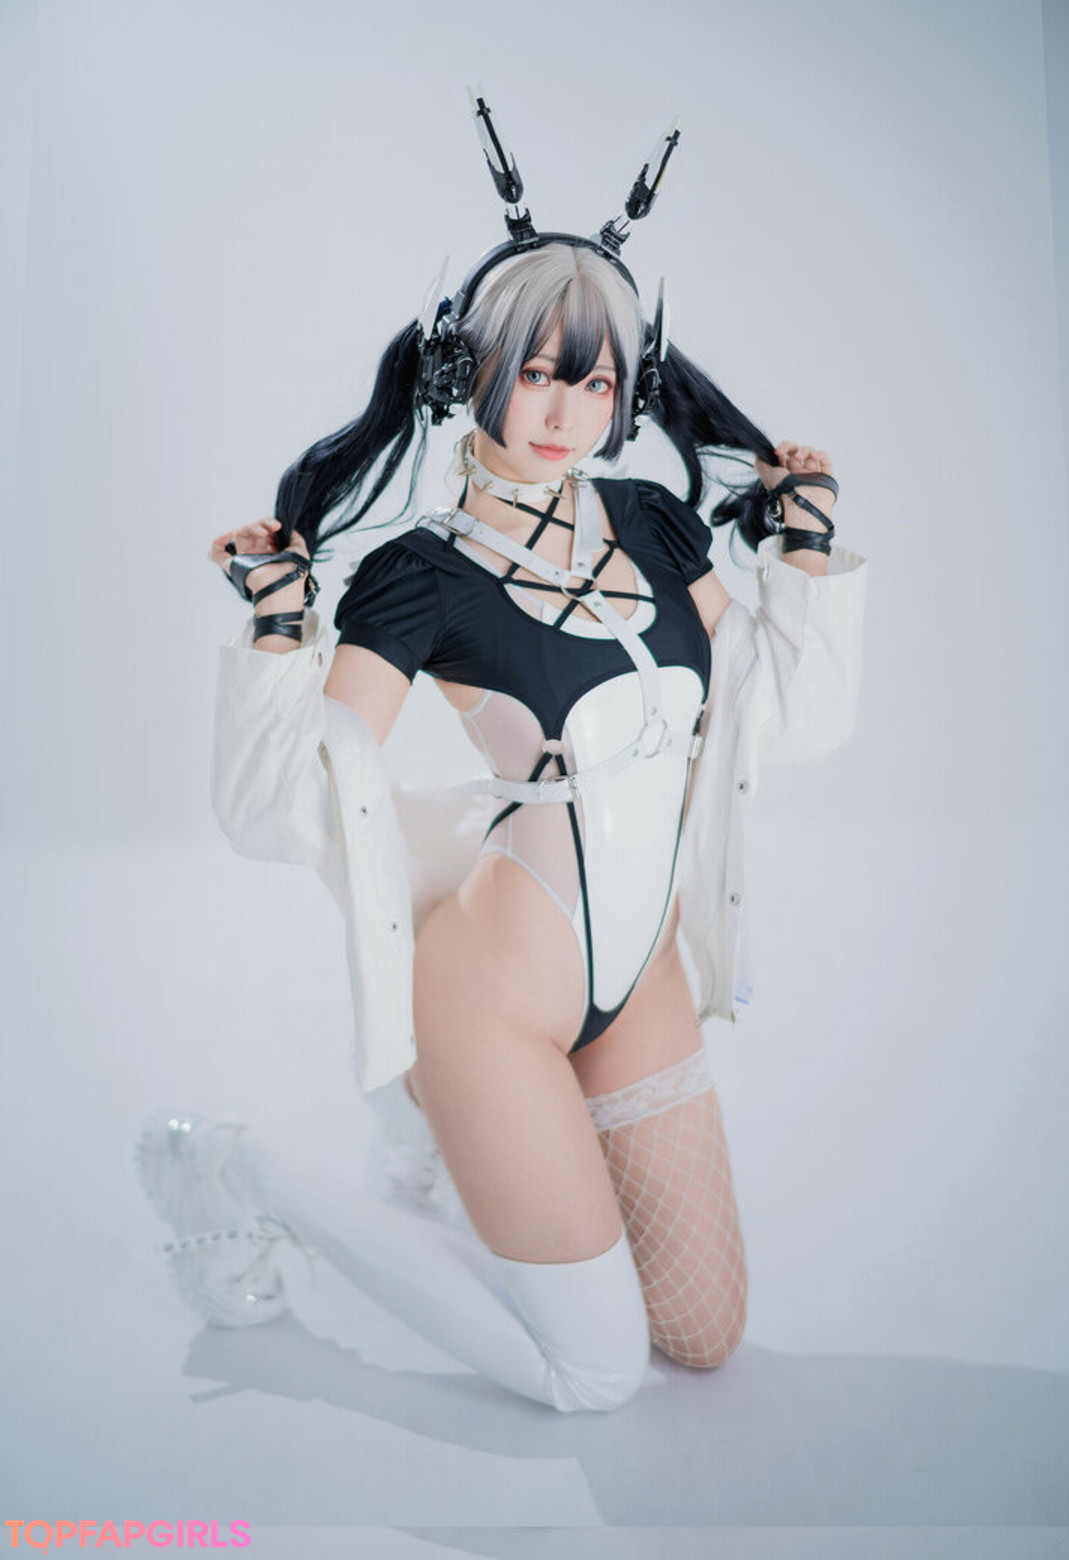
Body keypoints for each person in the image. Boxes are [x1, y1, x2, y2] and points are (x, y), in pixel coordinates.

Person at [136, 95, 867, 1414]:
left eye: (596, 382)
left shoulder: (658, 527)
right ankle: (247, 1170)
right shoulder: (420, 575)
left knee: (701, 1337)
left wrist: (806, 547)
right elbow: (288, 805)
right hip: (493, 997)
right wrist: (279, 631)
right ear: (472, 370)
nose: (566, 410)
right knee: (595, 1374)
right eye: (538, 371)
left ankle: (451, 1151)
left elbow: (777, 725)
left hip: (642, 978)